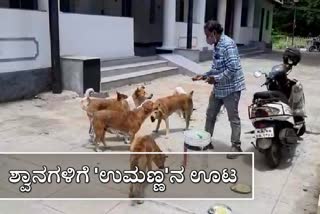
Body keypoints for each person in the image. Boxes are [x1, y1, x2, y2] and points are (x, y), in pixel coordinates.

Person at [192, 20, 246, 159]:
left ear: (214, 33)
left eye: (207, 35)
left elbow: (233, 68)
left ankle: (236, 146)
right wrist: (205, 75)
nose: (206, 38)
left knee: (233, 118)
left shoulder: (228, 45)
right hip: (219, 88)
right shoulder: (217, 44)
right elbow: (217, 67)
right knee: (210, 114)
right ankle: (206, 141)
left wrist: (215, 79)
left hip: (231, 88)